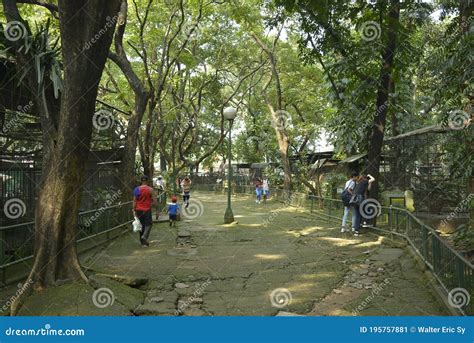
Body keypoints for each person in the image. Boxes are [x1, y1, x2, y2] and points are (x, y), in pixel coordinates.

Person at [133, 175, 155, 247]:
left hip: (138, 210)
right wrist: (157, 209)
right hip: (147, 210)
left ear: (141, 181)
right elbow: (155, 200)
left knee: (140, 225)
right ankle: (144, 237)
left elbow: (134, 201)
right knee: (148, 224)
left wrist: (134, 209)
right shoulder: (150, 189)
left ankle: (143, 243)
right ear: (147, 181)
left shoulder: (137, 189)